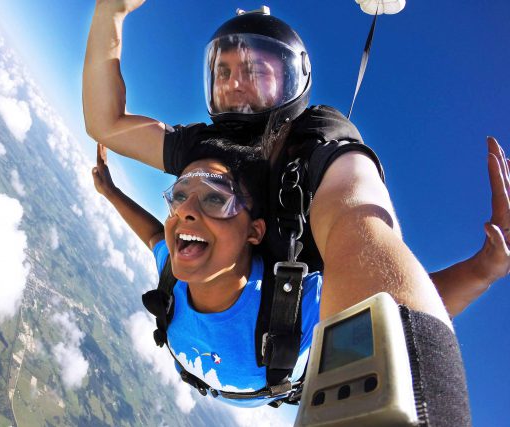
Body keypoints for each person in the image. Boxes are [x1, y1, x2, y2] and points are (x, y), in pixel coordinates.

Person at [82, 2, 509, 320]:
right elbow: (106, 125)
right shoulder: (203, 149)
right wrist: (111, 12)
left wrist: (481, 272)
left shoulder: (313, 149)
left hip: (275, 352)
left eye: (254, 70)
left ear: (293, 78)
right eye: (224, 71)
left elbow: (366, 246)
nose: (233, 84)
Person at [92, 141, 323, 407]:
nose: (184, 211)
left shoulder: (300, 305)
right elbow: (155, 235)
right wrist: (109, 191)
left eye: (216, 198)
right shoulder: (173, 274)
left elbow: (376, 299)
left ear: (254, 231)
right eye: (179, 196)